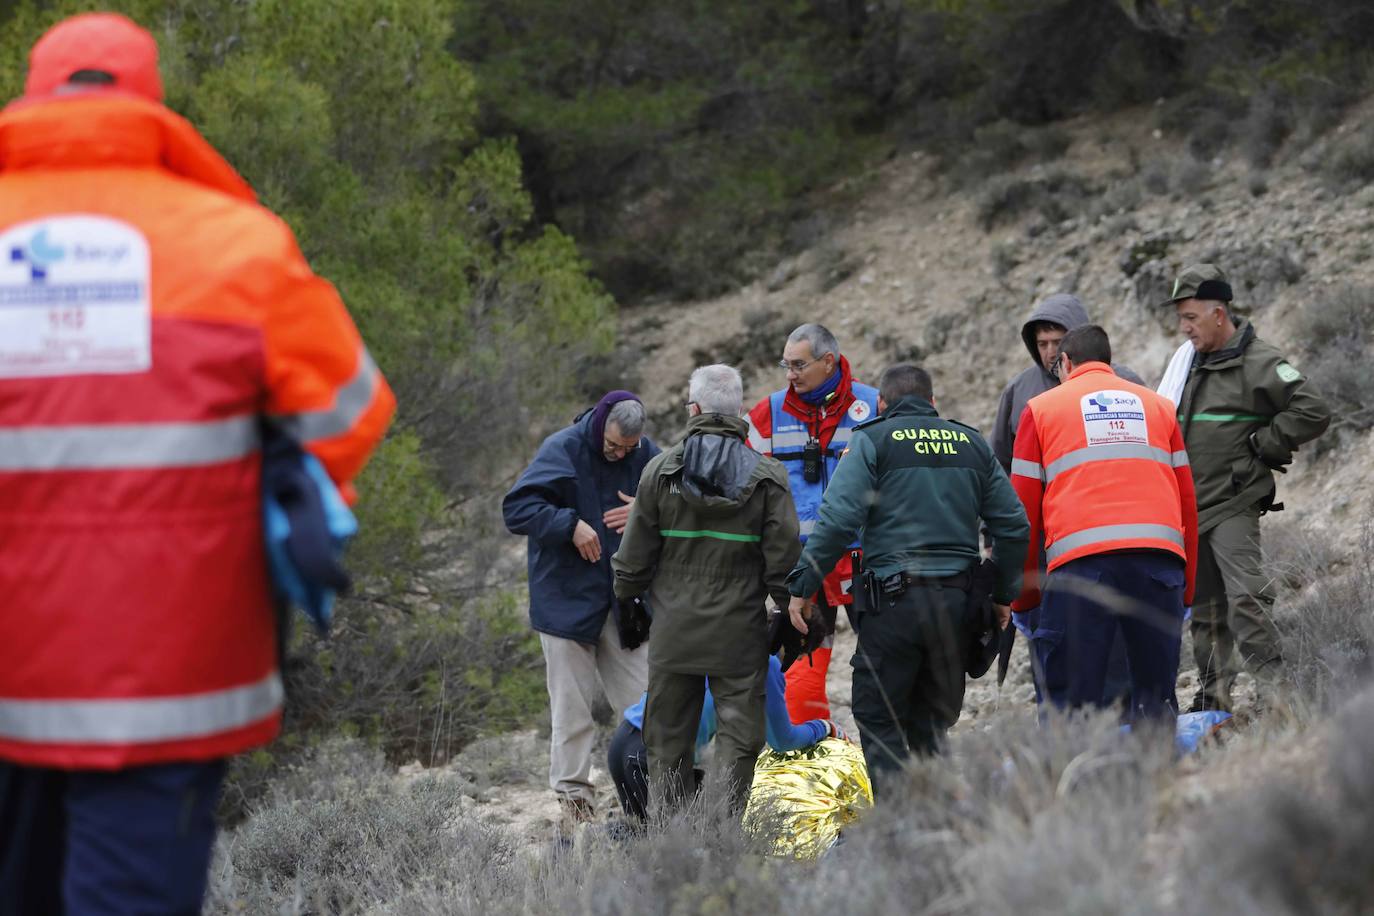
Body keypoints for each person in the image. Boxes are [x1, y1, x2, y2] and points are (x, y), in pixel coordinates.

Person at [0, 14, 395, 913]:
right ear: (150, 103)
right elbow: (350, 409)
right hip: (173, 668)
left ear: (30, 94)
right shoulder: (235, 244)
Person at [785, 365, 1029, 795]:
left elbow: (839, 519)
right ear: (932, 403)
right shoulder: (970, 443)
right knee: (932, 725)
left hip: (892, 607)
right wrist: (1003, 595)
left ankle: (899, 831)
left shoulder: (872, 439)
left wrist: (803, 586)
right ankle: (933, 830)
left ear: (881, 404)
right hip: (957, 608)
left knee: (881, 719)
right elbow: (1013, 526)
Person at [612, 364, 801, 815]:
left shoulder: (659, 473)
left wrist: (628, 599)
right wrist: (791, 613)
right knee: (740, 739)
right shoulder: (768, 476)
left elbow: (633, 559)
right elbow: (785, 565)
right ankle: (724, 836)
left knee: (668, 742)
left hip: (675, 632)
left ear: (694, 408)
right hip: (739, 636)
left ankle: (675, 841)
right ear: (739, 410)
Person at [1163, 264, 1331, 712]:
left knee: (1247, 598)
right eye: (1181, 317)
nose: (1184, 327)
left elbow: (1313, 410)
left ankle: (1275, 690)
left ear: (1220, 314)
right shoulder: (1187, 363)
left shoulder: (1260, 361)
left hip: (1234, 501)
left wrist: (1265, 443)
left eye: (1192, 317)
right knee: (1204, 610)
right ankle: (1213, 695)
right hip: (1192, 504)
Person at [1009, 325, 1197, 721]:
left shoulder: (1041, 409)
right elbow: (1186, 505)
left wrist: (1024, 597)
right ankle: (1159, 778)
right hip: (1159, 568)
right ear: (1108, 362)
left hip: (1081, 571)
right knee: (1155, 697)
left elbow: (1021, 513)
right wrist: (1188, 591)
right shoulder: (1159, 408)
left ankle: (1074, 779)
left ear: (1065, 363)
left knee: (1071, 706)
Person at [503, 391, 659, 823]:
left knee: (648, 701)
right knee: (571, 709)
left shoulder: (645, 452)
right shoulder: (563, 448)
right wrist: (569, 525)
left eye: (628, 448)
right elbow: (517, 509)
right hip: (566, 601)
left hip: (624, 602)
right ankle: (575, 801)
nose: (620, 454)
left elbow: (673, 497)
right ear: (600, 425)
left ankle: (654, 792)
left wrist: (645, 511)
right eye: (613, 446)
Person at [989, 293, 1143, 707]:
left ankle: (1121, 730)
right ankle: (1059, 735)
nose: (1050, 352)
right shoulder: (1020, 391)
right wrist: (998, 539)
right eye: (1041, 343)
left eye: (1058, 341)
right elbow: (999, 470)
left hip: (1112, 537)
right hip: (1041, 546)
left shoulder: (1124, 384)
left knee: (1115, 646)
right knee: (1050, 645)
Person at [745, 324, 879, 723]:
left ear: (828, 362)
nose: (790, 374)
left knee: (883, 673)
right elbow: (739, 482)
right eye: (786, 365)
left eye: (798, 365)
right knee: (800, 681)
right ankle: (809, 767)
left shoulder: (875, 406)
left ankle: (891, 772)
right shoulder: (767, 414)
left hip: (866, 565)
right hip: (803, 571)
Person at [606, 654, 846, 820]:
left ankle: (604, 856)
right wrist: (825, 727)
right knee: (692, 840)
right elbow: (783, 740)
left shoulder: (716, 642)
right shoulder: (766, 661)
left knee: (644, 842)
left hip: (623, 741)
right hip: (651, 754)